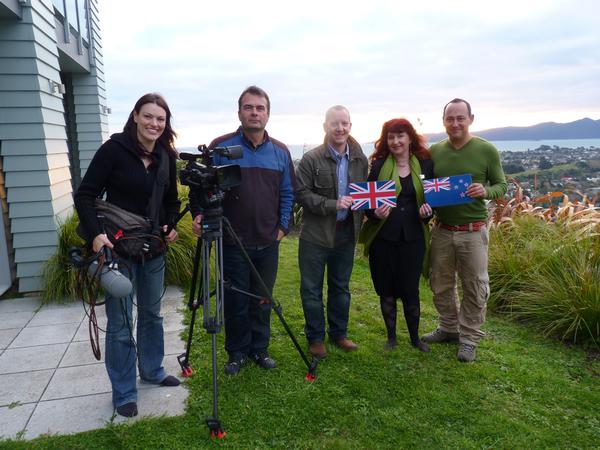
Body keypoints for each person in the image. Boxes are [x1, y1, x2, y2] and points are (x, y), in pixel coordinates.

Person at [74, 93, 181, 418]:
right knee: (120, 324)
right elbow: (85, 195)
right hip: (117, 250)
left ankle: (152, 370)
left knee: (152, 315)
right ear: (135, 116)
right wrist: (95, 235)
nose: (154, 123)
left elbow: (172, 201)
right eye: (148, 116)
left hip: (152, 248)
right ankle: (123, 392)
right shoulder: (113, 151)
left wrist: (170, 224)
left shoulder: (166, 155)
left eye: (160, 119)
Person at [190, 86, 295, 375]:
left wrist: (283, 227)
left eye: (260, 108)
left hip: (267, 241)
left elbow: (287, 193)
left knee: (262, 299)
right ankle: (236, 352)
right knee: (236, 300)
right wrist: (199, 214)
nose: (255, 113)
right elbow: (200, 189)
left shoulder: (281, 152)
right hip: (232, 242)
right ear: (239, 112)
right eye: (249, 107)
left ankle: (259, 349)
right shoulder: (222, 148)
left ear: (268, 114)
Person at [421, 98, 507, 362]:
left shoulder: (486, 150)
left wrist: (486, 191)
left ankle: (469, 338)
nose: (455, 123)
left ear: (471, 119)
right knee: (441, 283)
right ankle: (448, 328)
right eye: (450, 118)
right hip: (443, 229)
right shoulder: (435, 151)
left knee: (475, 286)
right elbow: (428, 187)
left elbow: (501, 186)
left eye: (460, 118)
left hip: (473, 230)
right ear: (444, 121)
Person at [295, 105, 368, 359]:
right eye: (335, 123)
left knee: (341, 287)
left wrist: (375, 208)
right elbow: (302, 195)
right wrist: (332, 204)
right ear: (325, 126)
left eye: (345, 123)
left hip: (346, 233)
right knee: (311, 289)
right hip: (315, 236)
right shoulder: (311, 159)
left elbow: (364, 195)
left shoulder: (360, 159)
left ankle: (339, 334)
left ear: (350, 126)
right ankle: (316, 337)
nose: (340, 128)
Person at [358, 118, 434, 353]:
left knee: (410, 290)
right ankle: (391, 338)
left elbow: (433, 200)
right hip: (384, 238)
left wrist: (428, 213)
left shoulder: (425, 163)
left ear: (410, 137)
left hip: (413, 238)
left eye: (400, 136)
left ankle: (415, 339)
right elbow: (367, 203)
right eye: (391, 137)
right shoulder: (380, 165)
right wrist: (375, 214)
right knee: (386, 289)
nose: (395, 141)